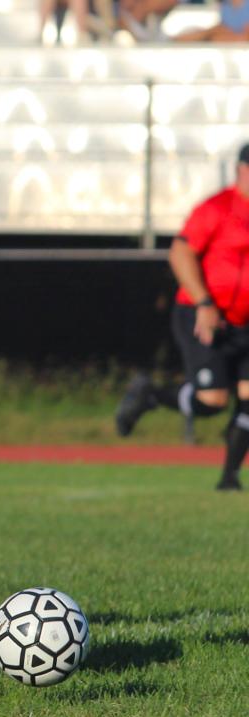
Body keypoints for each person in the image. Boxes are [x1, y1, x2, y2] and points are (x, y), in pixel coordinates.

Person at [116, 143, 249, 492]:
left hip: (245, 322)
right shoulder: (217, 208)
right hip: (204, 315)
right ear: (242, 171)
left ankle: (229, 478)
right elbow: (180, 253)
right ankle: (152, 396)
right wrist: (205, 303)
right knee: (212, 400)